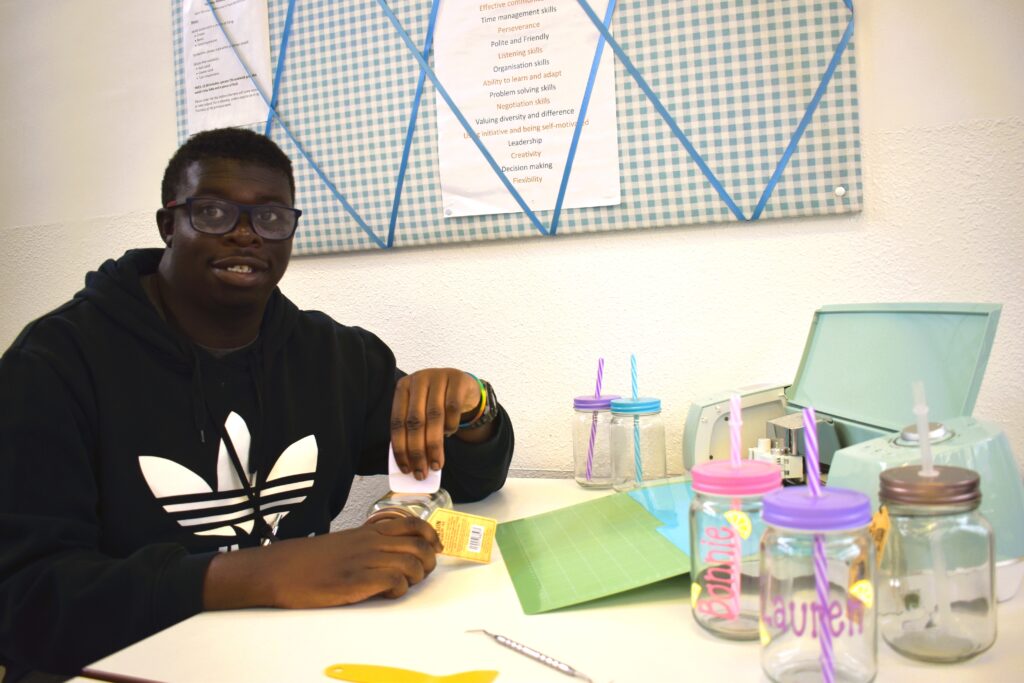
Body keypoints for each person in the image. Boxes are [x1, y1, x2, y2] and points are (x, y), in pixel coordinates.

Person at [0, 128, 514, 680]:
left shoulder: (335, 356)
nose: (246, 235)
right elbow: (26, 600)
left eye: (271, 218)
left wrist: (476, 410)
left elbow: (472, 478)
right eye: (215, 213)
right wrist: (260, 572)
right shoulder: (53, 364)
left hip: (294, 656)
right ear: (168, 224)